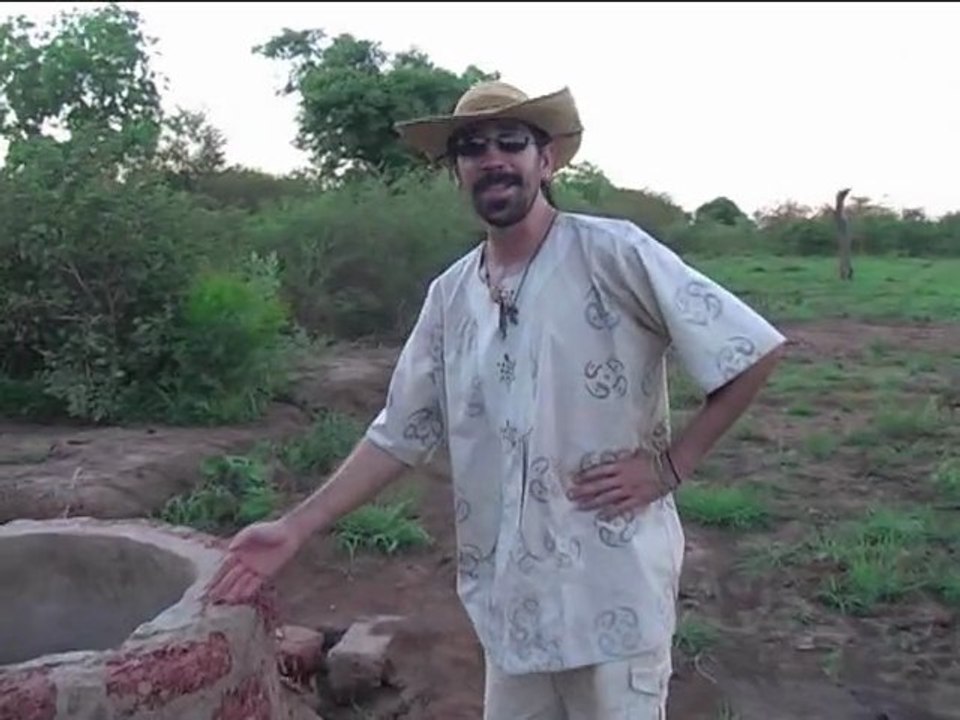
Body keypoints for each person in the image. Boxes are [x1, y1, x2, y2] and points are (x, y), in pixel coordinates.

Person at [206, 80, 787, 719]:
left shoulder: (612, 252)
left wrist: (670, 468)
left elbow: (749, 350)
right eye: (471, 147)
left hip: (611, 590)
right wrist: (293, 528)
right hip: (509, 601)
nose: (493, 158)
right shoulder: (451, 296)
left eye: (512, 141)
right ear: (456, 171)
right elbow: (398, 432)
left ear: (548, 160)